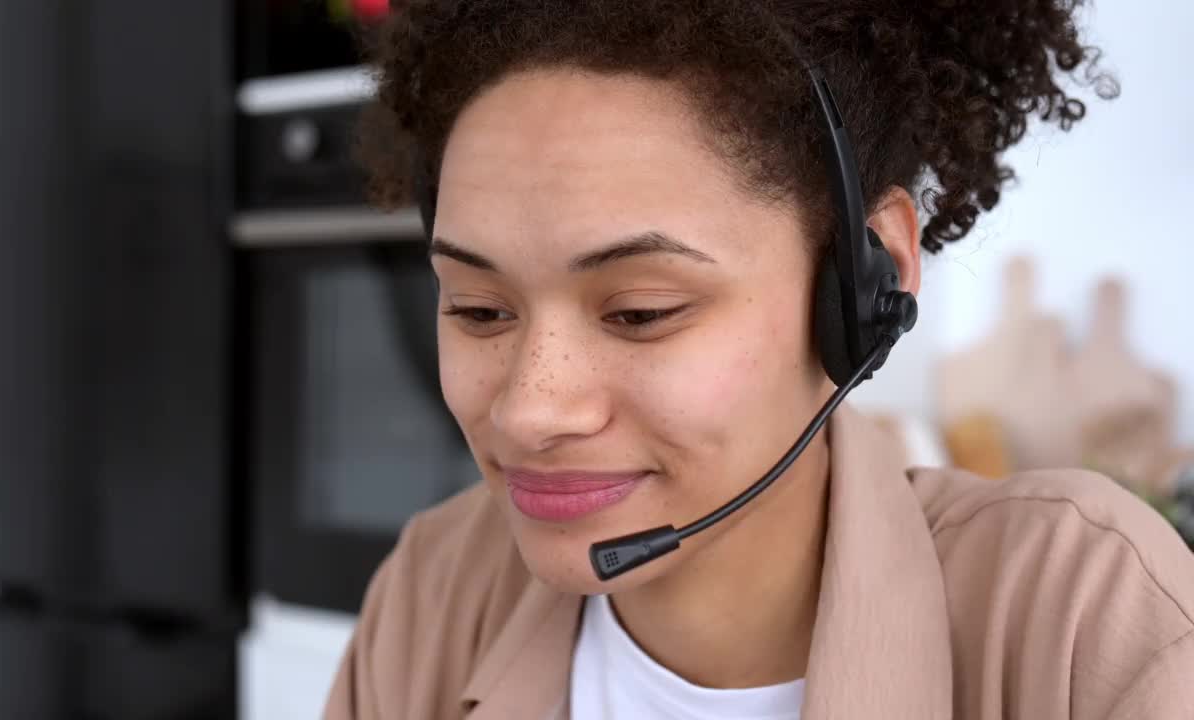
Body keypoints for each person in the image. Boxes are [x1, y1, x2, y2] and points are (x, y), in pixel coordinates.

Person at [325, 1, 1194, 718]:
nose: (528, 410)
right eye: (478, 310)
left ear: (867, 281)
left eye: (640, 313)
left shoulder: (1086, 616)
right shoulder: (433, 590)